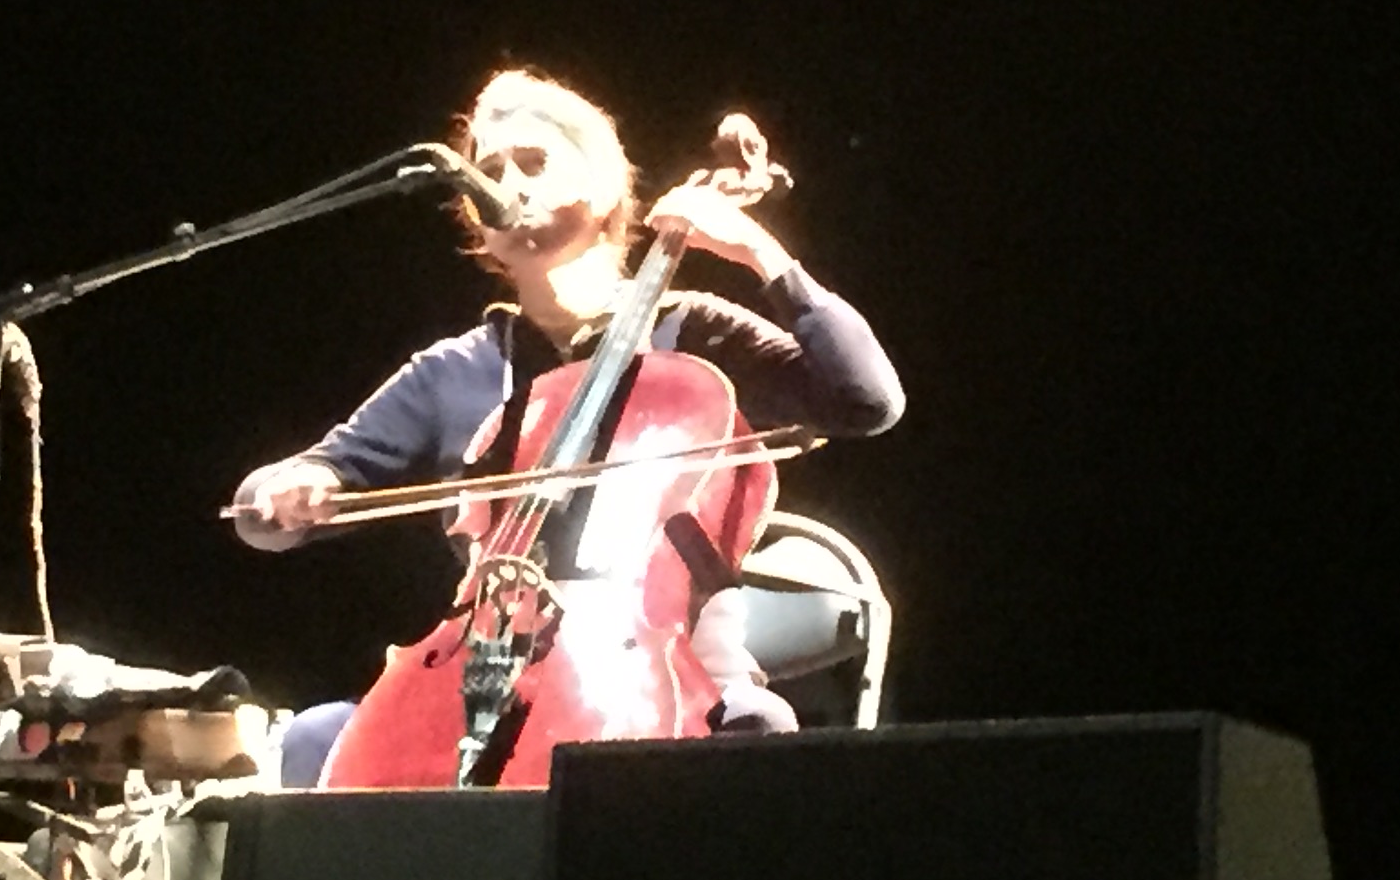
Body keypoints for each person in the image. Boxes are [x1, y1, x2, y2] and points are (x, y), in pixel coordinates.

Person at [229, 68, 904, 783]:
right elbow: (273, 507)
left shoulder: (690, 332)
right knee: (312, 742)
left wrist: (759, 253)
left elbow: (866, 401)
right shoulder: (457, 369)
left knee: (751, 740)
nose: (507, 182)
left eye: (534, 161)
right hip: (475, 678)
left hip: (664, 673)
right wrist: (289, 488)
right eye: (488, 171)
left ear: (605, 189)